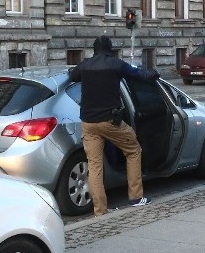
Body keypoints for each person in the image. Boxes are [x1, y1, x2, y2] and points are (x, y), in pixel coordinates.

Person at [68, 35, 160, 215]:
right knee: (133, 150)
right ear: (110, 50)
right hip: (110, 121)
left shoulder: (85, 65)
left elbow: (72, 75)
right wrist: (154, 73)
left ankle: (100, 210)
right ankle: (136, 197)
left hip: (88, 123)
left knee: (94, 166)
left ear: (94, 50)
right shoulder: (116, 64)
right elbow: (139, 74)